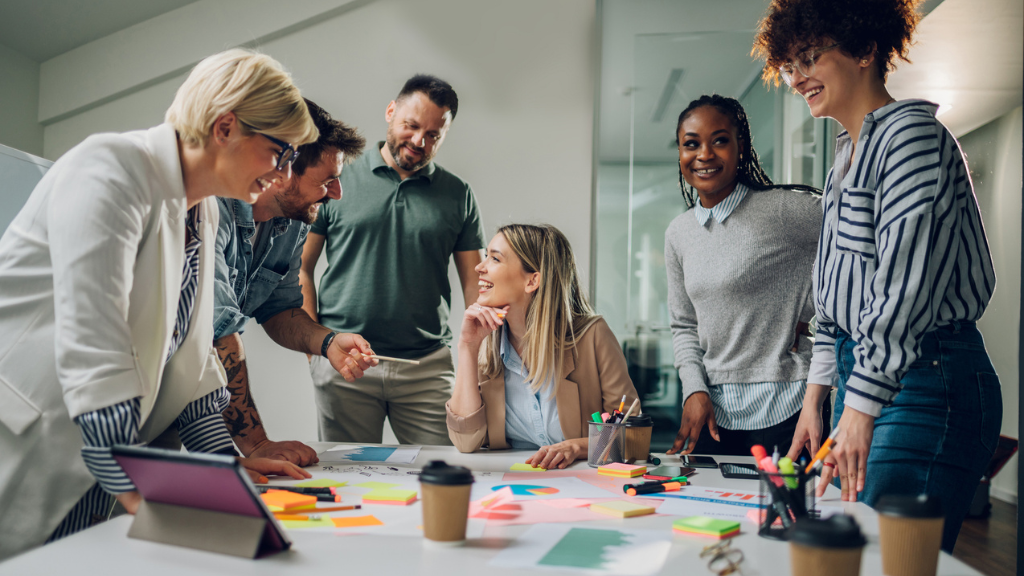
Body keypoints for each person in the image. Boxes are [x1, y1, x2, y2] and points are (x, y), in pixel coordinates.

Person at [0, 49, 314, 560]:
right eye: (279, 152)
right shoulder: (110, 167)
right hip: (28, 441)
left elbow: (192, 365)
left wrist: (225, 471)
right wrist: (152, 494)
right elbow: (93, 346)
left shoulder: (203, 211)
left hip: (93, 460)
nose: (281, 175)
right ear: (226, 126)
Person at [754, 0, 1001, 552]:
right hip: (866, 374)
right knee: (851, 553)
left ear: (865, 49)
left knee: (883, 561)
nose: (797, 77)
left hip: (925, 381)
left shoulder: (910, 139)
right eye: (790, 64)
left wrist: (859, 405)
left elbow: (902, 291)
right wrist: (818, 396)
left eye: (811, 57)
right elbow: (835, 291)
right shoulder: (848, 151)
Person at [300, 75, 485, 445]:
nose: (420, 141)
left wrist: (476, 359)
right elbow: (301, 268)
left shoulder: (458, 194)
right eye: (412, 126)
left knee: (441, 474)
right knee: (347, 482)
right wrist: (315, 347)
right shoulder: (337, 179)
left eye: (433, 134)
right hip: (346, 362)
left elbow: (474, 284)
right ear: (390, 112)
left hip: (427, 368)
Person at [213, 99, 375, 467]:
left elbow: (280, 309)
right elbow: (217, 330)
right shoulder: (211, 209)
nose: (337, 193)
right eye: (328, 180)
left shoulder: (293, 219)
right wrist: (256, 445)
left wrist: (328, 342)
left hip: (189, 397)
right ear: (282, 169)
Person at [663, 94, 825, 459]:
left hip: (789, 404)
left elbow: (861, 237)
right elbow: (683, 325)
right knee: (706, 514)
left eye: (719, 140)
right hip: (714, 412)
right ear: (680, 153)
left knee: (791, 516)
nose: (704, 154)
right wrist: (693, 390)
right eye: (692, 144)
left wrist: (813, 308)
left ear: (741, 148)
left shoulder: (782, 209)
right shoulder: (679, 232)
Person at [446, 224, 639, 469]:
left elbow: (632, 435)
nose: (479, 267)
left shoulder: (593, 336)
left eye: (494, 258)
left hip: (580, 483)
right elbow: (465, 441)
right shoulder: (486, 341)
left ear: (532, 280)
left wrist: (577, 447)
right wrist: (467, 347)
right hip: (511, 481)